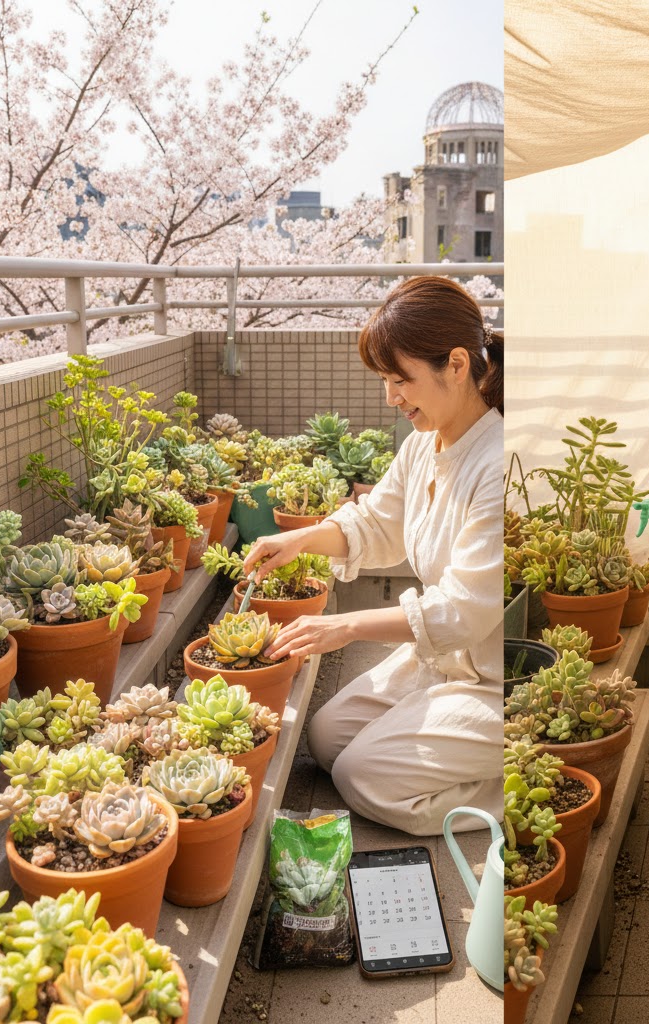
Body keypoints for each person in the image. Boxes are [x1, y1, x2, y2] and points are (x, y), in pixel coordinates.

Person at [242, 275, 503, 835]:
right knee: (326, 738)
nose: (391, 398)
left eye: (400, 380)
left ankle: (521, 781)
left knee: (363, 776)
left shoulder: (497, 460)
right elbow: (376, 520)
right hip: (445, 663)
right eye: (385, 381)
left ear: (457, 364)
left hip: (497, 678)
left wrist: (347, 627)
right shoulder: (421, 444)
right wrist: (300, 539)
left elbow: (465, 611)